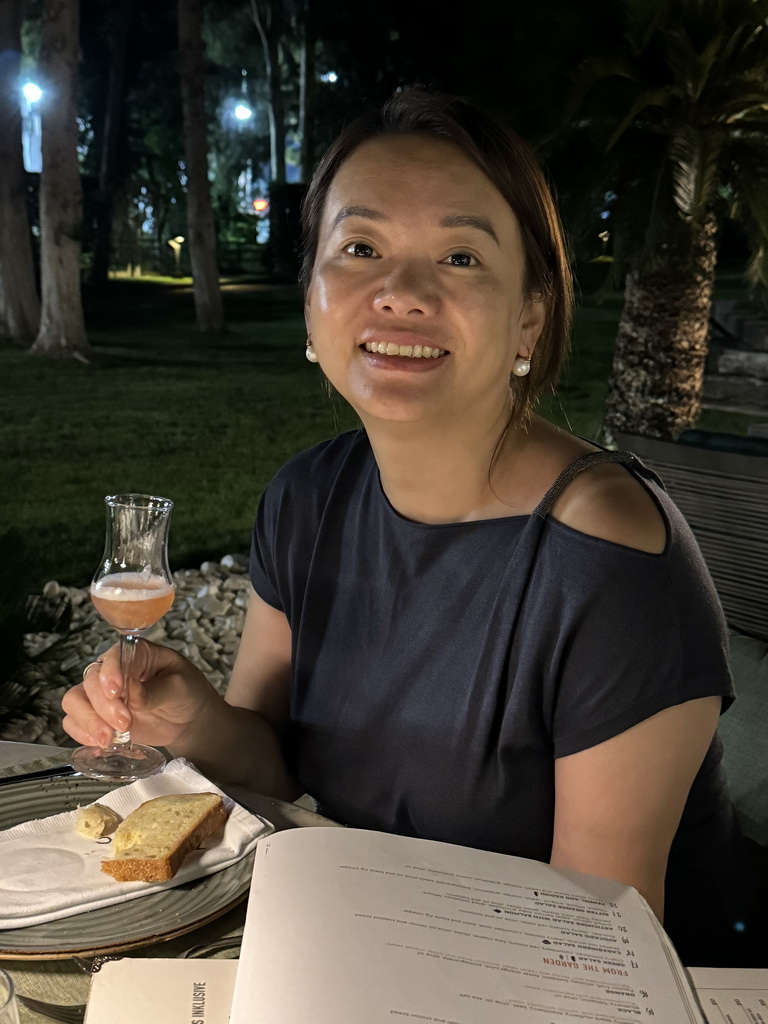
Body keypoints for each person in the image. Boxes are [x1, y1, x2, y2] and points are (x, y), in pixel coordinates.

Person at [62, 88, 765, 967]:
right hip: (377, 943)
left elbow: (599, 942)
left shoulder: (609, 558)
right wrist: (194, 718)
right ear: (313, 301)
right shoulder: (306, 497)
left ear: (529, 318)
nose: (399, 292)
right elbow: (270, 771)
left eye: (462, 257)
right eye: (360, 247)